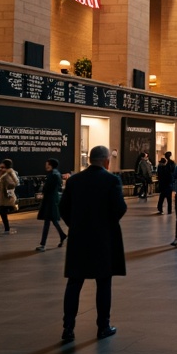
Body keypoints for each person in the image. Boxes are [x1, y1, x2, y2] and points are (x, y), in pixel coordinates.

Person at [59, 145, 125, 342]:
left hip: (79, 238)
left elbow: (63, 208)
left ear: (89, 160)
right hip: (103, 239)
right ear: (106, 161)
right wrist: (107, 224)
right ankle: (103, 326)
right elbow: (119, 208)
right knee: (103, 282)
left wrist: (76, 225)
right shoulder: (112, 180)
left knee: (74, 283)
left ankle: (68, 328)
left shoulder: (74, 180)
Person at [35, 158, 67, 252]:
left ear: (51, 165)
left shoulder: (52, 175)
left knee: (47, 221)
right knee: (51, 220)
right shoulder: (56, 174)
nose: (46, 166)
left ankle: (43, 244)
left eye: (47, 164)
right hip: (52, 199)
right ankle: (62, 235)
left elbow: (47, 188)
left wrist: (43, 189)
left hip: (50, 200)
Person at [0, 159, 19, 233]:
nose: (0, 169)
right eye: (0, 167)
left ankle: (0, 226)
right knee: (1, 213)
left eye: (3, 167)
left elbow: (11, 185)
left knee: (1, 212)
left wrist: (10, 196)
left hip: (5, 198)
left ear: (7, 168)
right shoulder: (3, 175)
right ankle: (0, 226)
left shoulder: (6, 176)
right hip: (1, 198)